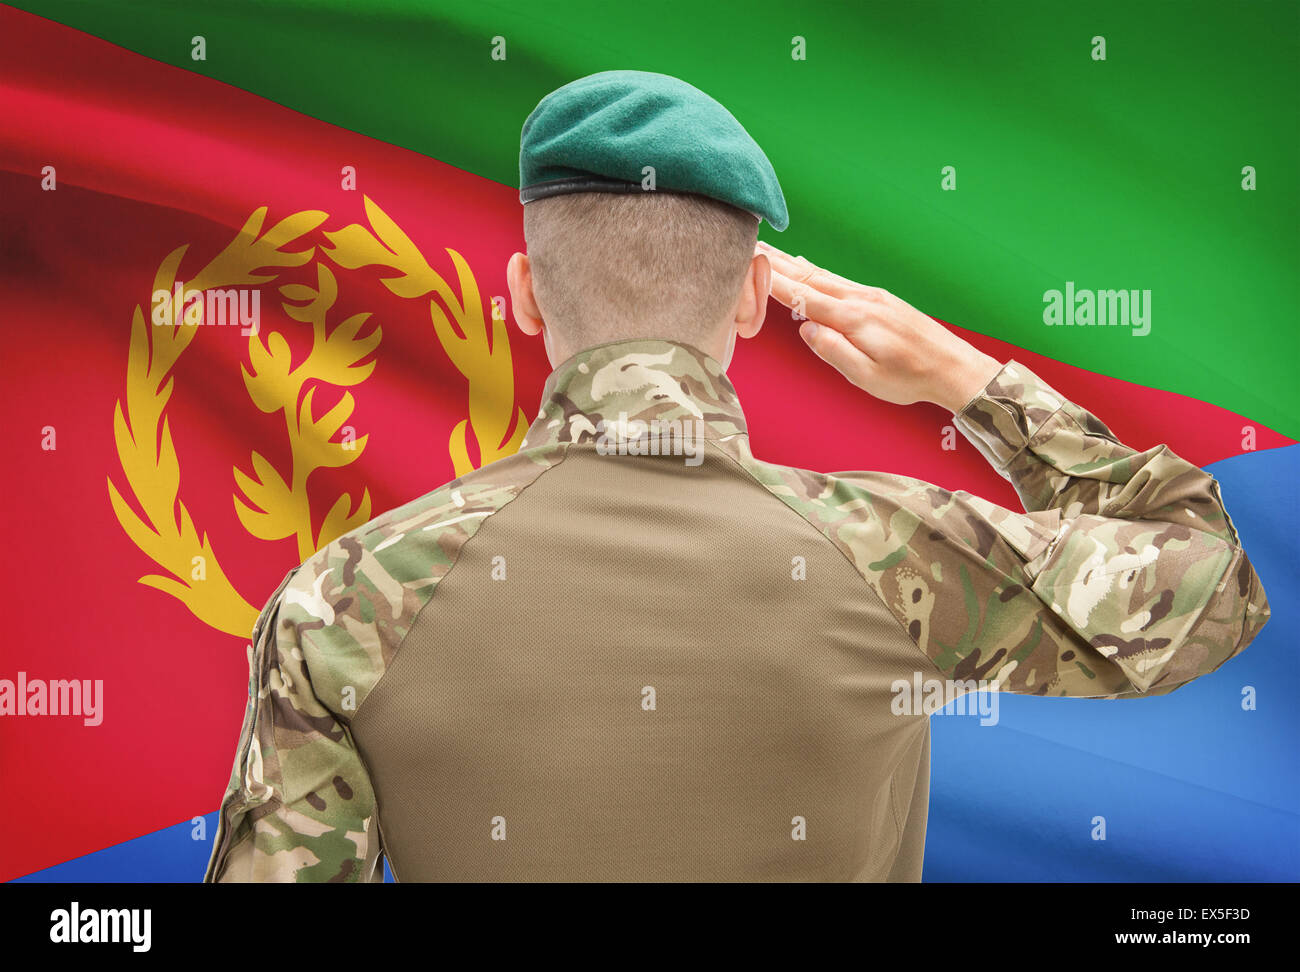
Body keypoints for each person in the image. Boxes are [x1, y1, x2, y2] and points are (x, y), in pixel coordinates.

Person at [203, 70, 1269, 882]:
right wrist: (970, 383)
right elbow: (1212, 585)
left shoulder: (340, 601)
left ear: (524, 294)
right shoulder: (892, 554)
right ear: (756, 297)